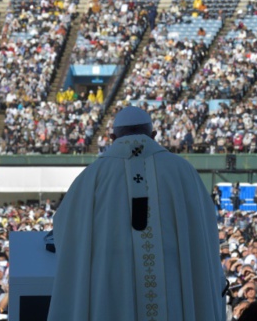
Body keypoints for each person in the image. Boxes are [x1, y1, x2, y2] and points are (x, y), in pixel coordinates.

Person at [47, 106, 226, 321]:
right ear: (153, 135)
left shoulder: (91, 177)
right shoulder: (182, 171)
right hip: (172, 284)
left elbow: (65, 230)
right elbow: (204, 232)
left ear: (112, 137)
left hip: (110, 282)